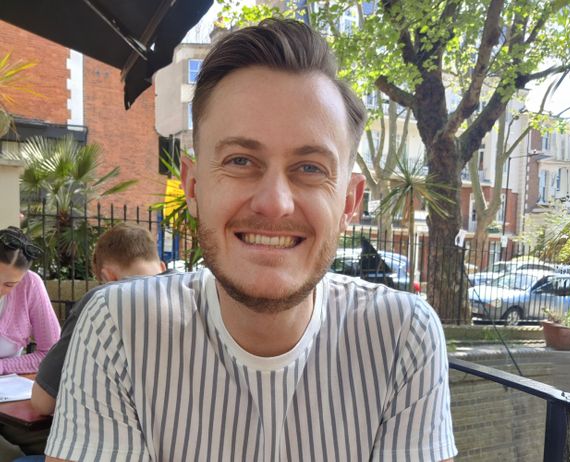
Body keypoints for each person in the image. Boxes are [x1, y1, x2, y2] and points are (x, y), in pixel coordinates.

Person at [46, 18, 457, 461]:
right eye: (241, 160)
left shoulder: (401, 336)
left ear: (349, 201)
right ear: (194, 186)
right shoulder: (117, 329)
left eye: (311, 168)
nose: (275, 203)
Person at [31, 222, 167, 416]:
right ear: (162, 266)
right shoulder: (198, 293)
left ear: (108, 276)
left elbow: (42, 402)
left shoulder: (102, 301)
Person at [0, 226, 60, 375]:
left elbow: (52, 353)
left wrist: (2, 367)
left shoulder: (30, 283)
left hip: (8, 389)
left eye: (9, 285)